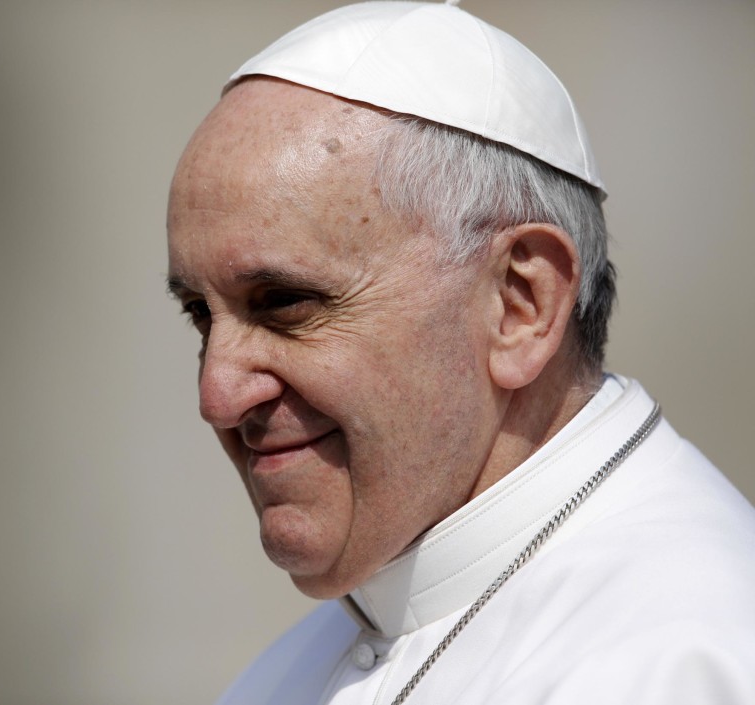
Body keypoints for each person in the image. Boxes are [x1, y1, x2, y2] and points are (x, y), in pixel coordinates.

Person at [165, 2, 755, 703]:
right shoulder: (293, 667)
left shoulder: (686, 662)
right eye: (201, 314)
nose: (218, 396)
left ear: (518, 303)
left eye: (287, 303)